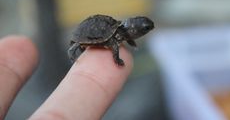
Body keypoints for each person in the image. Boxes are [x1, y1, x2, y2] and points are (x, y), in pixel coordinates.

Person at [0, 36, 133, 120]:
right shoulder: (114, 39)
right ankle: (60, 70)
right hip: (88, 33)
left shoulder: (120, 35)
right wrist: (117, 59)